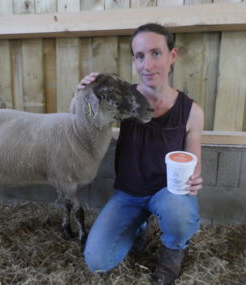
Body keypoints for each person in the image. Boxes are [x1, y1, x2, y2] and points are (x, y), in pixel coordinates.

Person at [78, 23, 204, 285]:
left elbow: (194, 165)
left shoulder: (192, 112)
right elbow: (87, 122)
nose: (147, 65)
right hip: (129, 193)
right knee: (97, 261)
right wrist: (86, 94)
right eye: (140, 56)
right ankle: (139, 226)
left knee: (179, 212)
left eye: (156, 53)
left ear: (172, 56)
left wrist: (194, 179)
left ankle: (173, 251)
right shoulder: (123, 99)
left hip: (168, 191)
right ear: (134, 60)